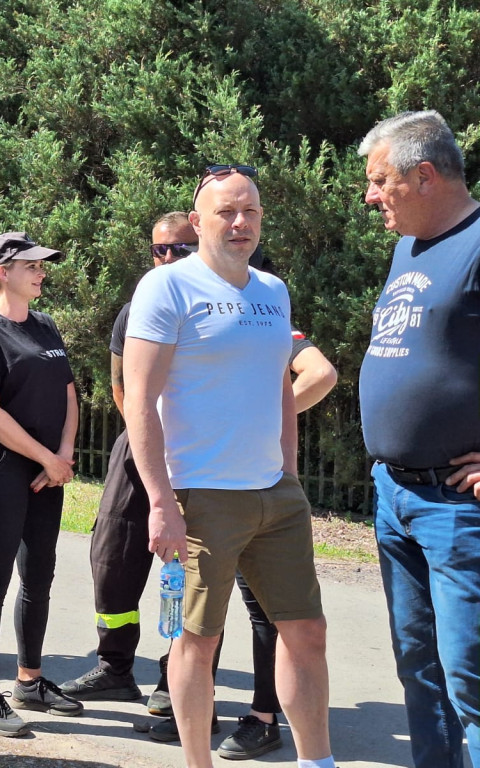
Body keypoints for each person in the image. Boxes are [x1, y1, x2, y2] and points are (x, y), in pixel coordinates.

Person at [124, 165, 335, 768]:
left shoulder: (272, 291)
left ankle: (316, 761)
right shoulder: (167, 288)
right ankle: (198, 763)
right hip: (201, 495)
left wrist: (290, 474)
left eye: (251, 212)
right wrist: (161, 501)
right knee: (198, 639)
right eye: (226, 212)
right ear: (197, 221)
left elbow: (278, 387)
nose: (240, 223)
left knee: (307, 633)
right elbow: (138, 399)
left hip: (275, 492)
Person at [358, 110, 480, 768]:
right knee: (420, 672)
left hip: (458, 507)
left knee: (471, 679)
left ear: (425, 175)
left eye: (380, 182)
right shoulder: (408, 244)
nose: (371, 195)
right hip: (394, 495)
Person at [59, 212, 197, 704]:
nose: (167, 258)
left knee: (191, 565)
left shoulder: (215, 305)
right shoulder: (136, 308)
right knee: (112, 555)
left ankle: (175, 676)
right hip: (139, 447)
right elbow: (120, 386)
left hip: (198, 455)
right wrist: (146, 438)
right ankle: (115, 667)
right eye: (160, 249)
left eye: (180, 248)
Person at [0, 231, 82, 737]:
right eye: (31, 264)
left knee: (40, 575)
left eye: (42, 264)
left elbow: (70, 395)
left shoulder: (45, 325)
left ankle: (29, 679)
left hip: (46, 468)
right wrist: (46, 458)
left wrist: (65, 455)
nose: (41, 271)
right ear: (1, 272)